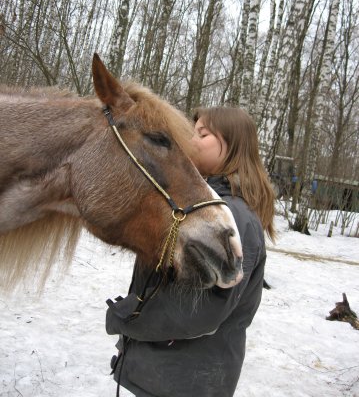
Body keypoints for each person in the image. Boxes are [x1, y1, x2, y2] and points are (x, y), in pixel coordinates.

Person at [106, 106, 276, 397]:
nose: (190, 139)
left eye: (202, 133)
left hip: (184, 382)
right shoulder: (203, 206)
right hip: (165, 374)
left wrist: (127, 316)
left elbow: (202, 310)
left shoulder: (233, 216)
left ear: (233, 145)